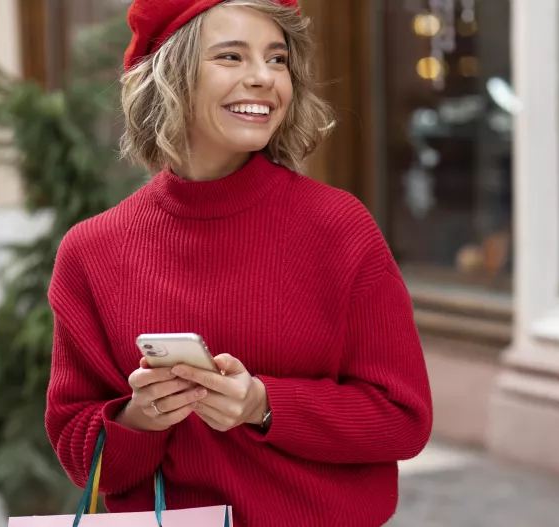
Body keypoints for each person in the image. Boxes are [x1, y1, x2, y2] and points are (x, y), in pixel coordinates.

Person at [44, 0, 433, 525]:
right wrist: (140, 418)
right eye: (231, 57)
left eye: (277, 59)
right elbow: (79, 452)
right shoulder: (93, 251)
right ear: (169, 74)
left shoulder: (339, 228)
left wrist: (264, 405)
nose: (263, 78)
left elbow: (402, 420)